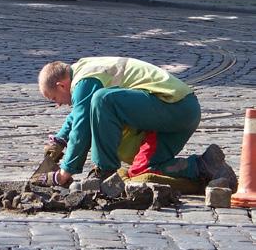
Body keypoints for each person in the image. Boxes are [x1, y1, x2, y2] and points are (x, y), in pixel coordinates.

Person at [35, 56, 237, 192]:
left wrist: (64, 174)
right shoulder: (82, 74)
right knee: (141, 170)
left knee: (103, 100)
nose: (59, 104)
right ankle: (204, 166)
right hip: (175, 112)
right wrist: (60, 139)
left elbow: (81, 124)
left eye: (54, 98)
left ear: (61, 85)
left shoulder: (85, 81)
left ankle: (104, 171)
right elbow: (81, 110)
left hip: (175, 106)